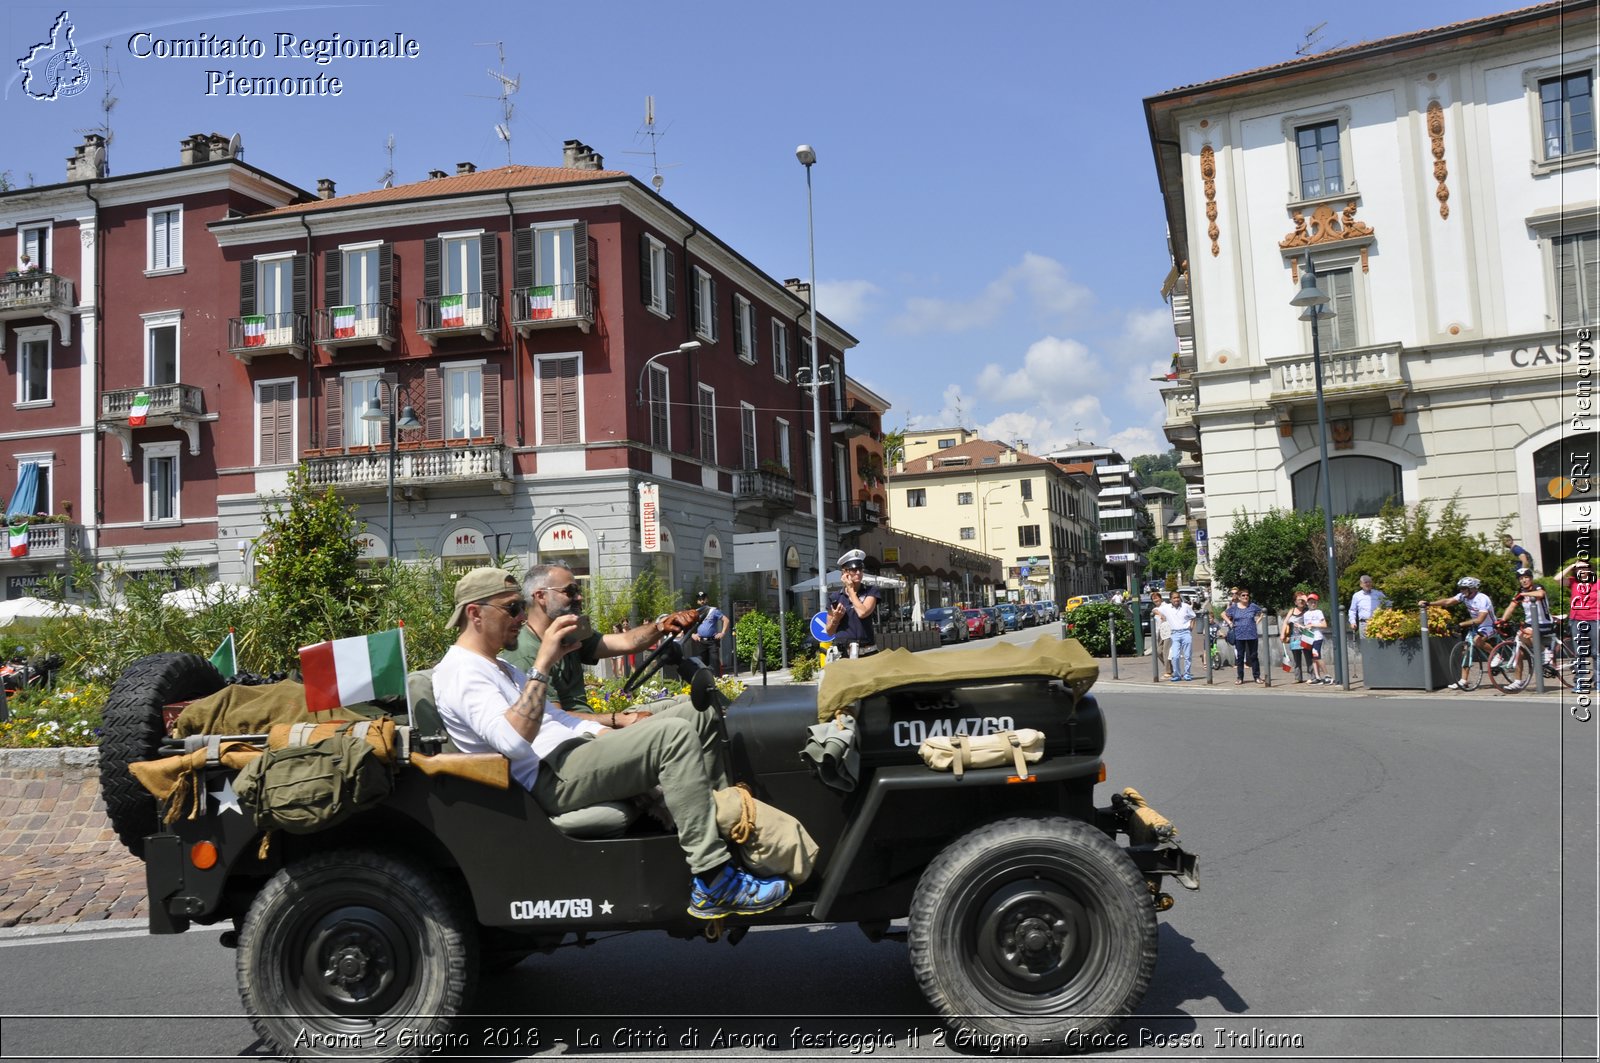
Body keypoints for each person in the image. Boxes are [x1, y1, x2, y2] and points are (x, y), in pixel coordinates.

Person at [432, 567, 791, 919]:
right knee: (673, 736)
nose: (520, 616)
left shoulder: (498, 667)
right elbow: (512, 741)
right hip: (549, 776)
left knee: (698, 714)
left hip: (571, 757)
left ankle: (720, 832)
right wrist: (543, 664)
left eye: (521, 608)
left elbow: (557, 720)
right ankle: (714, 879)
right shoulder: (463, 671)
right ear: (475, 614)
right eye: (512, 609)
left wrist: (610, 734)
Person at [504, 564, 699, 723]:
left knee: (693, 702)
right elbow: (554, 718)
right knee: (687, 722)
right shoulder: (525, 652)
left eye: (578, 590)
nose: (579, 597)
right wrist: (618, 719)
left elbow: (626, 641)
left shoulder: (570, 633)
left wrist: (661, 627)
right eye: (570, 591)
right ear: (540, 596)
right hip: (574, 738)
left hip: (594, 724)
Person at [1421, 577, 1497, 691]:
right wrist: (1429, 603)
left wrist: (1461, 624)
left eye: (1464, 589)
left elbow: (1481, 619)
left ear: (1472, 588)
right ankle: (1464, 680)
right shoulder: (1464, 596)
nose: (1462, 591)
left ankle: (1496, 655)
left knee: (1477, 640)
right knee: (1466, 650)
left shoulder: (1482, 599)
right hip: (1475, 626)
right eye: (1461, 588)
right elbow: (1448, 601)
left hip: (1489, 625)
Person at [1497, 567, 1555, 691]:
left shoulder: (1537, 587)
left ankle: (1545, 652)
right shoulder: (1520, 592)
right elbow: (1511, 607)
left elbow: (1540, 594)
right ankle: (1517, 681)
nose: (1524, 580)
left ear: (1531, 578)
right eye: (1521, 578)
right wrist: (1502, 620)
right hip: (1530, 624)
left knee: (1526, 634)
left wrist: (1524, 594)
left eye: (1526, 578)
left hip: (1544, 623)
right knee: (1519, 651)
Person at [824, 549, 880, 656]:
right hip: (842, 654)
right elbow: (829, 632)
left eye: (860, 569)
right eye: (853, 569)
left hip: (866, 652)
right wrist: (836, 618)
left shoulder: (871, 591)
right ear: (844, 573)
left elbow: (862, 613)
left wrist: (851, 590)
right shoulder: (835, 597)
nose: (858, 572)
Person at [1558, 558, 1597, 694]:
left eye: (1585, 568)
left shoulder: (1597, 583)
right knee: (1580, 653)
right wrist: (1572, 565)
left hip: (1594, 619)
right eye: (1579, 569)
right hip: (1576, 621)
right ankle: (1581, 683)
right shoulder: (1573, 582)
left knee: (1596, 653)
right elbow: (1557, 579)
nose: (1582, 571)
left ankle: (1598, 682)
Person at [1223, 588, 1265, 685]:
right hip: (1239, 635)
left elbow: (1262, 612)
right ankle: (1240, 677)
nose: (1246, 597)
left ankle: (1257, 676)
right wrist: (1230, 622)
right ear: (1239, 597)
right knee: (1240, 657)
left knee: (1254, 656)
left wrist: (1257, 621)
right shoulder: (1234, 607)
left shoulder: (1252, 606)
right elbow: (1223, 614)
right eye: (1243, 595)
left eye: (1247, 595)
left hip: (1252, 634)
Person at [1155, 590, 1196, 682]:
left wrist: (1191, 627)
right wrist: (1161, 615)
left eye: (1178, 597)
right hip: (1175, 633)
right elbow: (1155, 610)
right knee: (1175, 656)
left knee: (1187, 655)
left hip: (1186, 632)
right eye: (1174, 598)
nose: (1176, 599)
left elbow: (1193, 616)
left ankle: (1187, 674)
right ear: (1171, 599)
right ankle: (1177, 674)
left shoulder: (1186, 607)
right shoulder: (1167, 608)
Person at [690, 590, 730, 676]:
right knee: (701, 663)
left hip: (712, 641)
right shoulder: (695, 612)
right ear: (697, 601)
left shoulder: (713, 610)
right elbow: (689, 625)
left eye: (703, 598)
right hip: (701, 641)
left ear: (707, 599)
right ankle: (704, 681)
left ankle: (718, 681)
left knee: (714, 661)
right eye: (700, 599)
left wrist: (722, 633)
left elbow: (726, 620)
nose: (702, 601)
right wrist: (692, 634)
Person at [1302, 593, 1332, 684]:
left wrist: (1313, 625)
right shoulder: (1306, 614)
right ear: (1307, 603)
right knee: (1313, 657)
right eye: (1311, 602)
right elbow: (1306, 626)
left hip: (1317, 637)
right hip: (1309, 637)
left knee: (1316, 656)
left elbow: (1324, 625)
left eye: (1314, 602)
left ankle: (1327, 675)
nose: (1313, 604)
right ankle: (1317, 677)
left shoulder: (1319, 612)